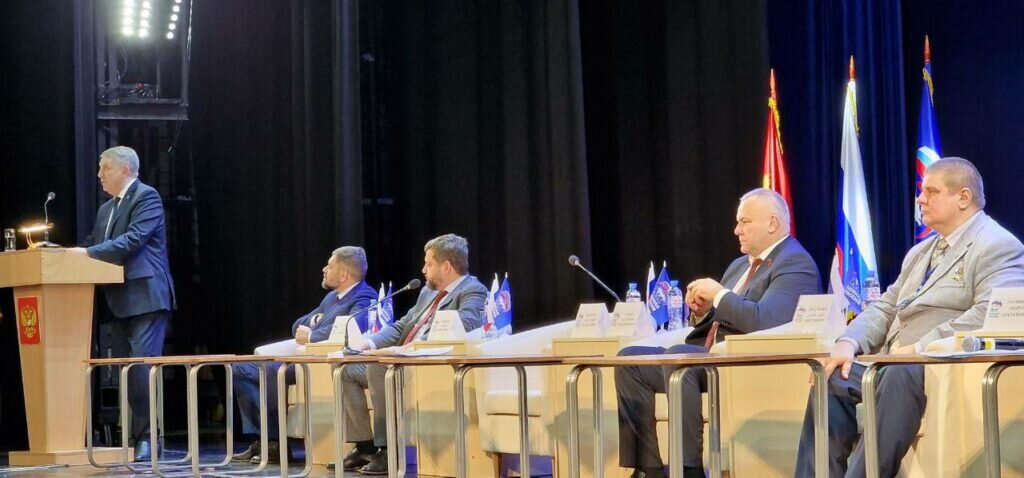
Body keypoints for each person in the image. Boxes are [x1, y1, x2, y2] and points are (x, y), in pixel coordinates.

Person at [793, 157, 1024, 477]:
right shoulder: (920, 252)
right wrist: (848, 341)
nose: (920, 199)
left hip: (936, 363)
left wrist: (920, 348)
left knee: (899, 371)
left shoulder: (997, 245)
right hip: (893, 361)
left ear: (963, 198)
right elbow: (886, 307)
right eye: (921, 191)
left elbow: (989, 314)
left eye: (931, 192)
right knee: (833, 376)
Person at [615, 188, 821, 478]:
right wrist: (702, 311)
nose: (737, 230)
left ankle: (688, 470)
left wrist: (719, 294)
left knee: (680, 359)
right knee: (629, 361)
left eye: (744, 222)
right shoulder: (739, 266)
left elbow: (767, 321)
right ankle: (647, 469)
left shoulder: (795, 262)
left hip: (747, 363)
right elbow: (722, 318)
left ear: (772, 223)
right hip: (710, 357)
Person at [340, 233, 488, 475]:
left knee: (378, 366)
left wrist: (410, 348)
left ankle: (389, 450)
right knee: (347, 370)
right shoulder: (428, 292)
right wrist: (367, 343)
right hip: (400, 360)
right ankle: (365, 446)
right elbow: (403, 325)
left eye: (428, 264)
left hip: (427, 364)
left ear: (446, 266)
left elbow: (466, 325)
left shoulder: (473, 290)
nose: (423, 270)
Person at [68, 146, 176, 461]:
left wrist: (87, 253)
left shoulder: (147, 197)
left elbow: (133, 239)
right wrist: (63, 254)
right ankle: (131, 436)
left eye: (105, 169)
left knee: (141, 369)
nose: (99, 175)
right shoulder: (106, 209)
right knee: (124, 371)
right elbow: (94, 244)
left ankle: (148, 438)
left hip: (145, 297)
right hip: (116, 299)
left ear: (125, 170)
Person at [230, 246, 377, 464]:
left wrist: (312, 334)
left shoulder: (365, 296)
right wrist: (316, 322)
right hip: (305, 357)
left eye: (330, 266)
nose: (324, 269)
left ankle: (275, 444)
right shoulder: (331, 298)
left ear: (344, 274)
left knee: (271, 369)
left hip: (323, 361)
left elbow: (351, 328)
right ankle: (263, 439)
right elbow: (298, 325)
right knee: (242, 369)